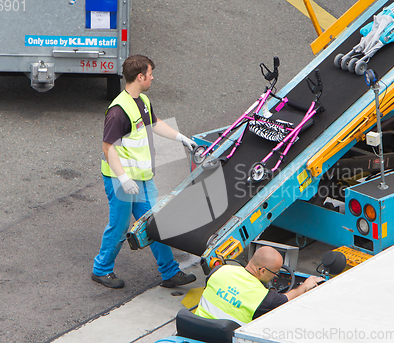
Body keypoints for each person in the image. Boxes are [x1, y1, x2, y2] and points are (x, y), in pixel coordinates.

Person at [92, 54, 198, 289]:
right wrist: (123, 178)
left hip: (140, 179)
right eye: (150, 74)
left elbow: (155, 122)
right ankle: (101, 269)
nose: (152, 77)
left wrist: (181, 138)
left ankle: (170, 272)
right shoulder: (118, 111)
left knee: (156, 223)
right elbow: (108, 148)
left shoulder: (143, 100)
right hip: (121, 180)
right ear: (140, 77)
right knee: (119, 227)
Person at [195, 246, 324, 325]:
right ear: (262, 270)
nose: (275, 277)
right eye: (275, 273)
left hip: (193, 328)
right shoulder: (264, 297)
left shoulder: (219, 271)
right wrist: (305, 286)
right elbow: (287, 298)